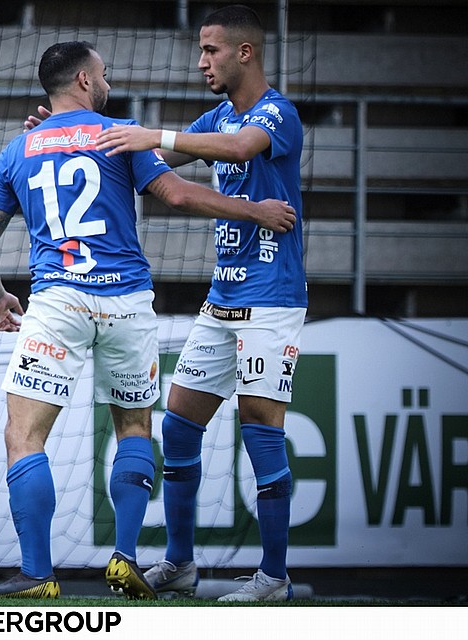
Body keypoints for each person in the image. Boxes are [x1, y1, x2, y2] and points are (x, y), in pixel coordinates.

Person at [0, 41, 295, 600]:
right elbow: (177, 194)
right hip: (128, 304)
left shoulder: (18, 149)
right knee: (135, 430)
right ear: (83, 80)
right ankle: (125, 557)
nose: (109, 83)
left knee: (24, 435)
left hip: (58, 304)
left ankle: (38, 575)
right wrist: (255, 211)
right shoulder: (120, 135)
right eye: (103, 74)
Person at [91, 5, 307, 602]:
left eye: (211, 50)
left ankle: (274, 578)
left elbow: (237, 149)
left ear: (245, 52)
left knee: (260, 426)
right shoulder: (217, 117)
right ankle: (181, 565)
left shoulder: (277, 114)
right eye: (201, 50)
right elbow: (153, 165)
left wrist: (153, 135)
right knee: (180, 424)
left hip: (271, 298)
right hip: (223, 297)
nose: (201, 61)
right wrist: (72, 134)